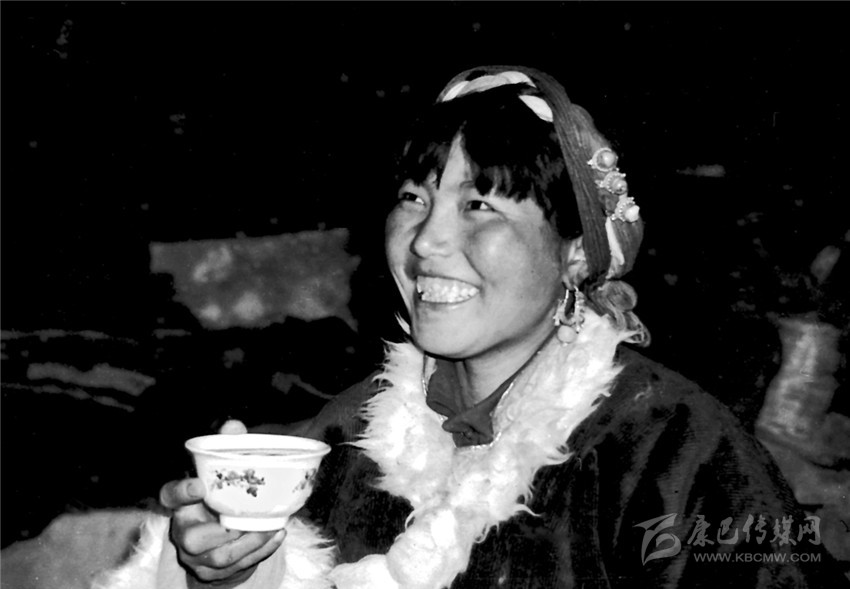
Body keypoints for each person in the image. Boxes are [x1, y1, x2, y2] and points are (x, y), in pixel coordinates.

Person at [94, 66, 845, 589]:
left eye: (480, 204)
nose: (426, 241)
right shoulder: (343, 438)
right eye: (414, 197)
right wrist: (226, 568)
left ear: (575, 251)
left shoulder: (676, 450)